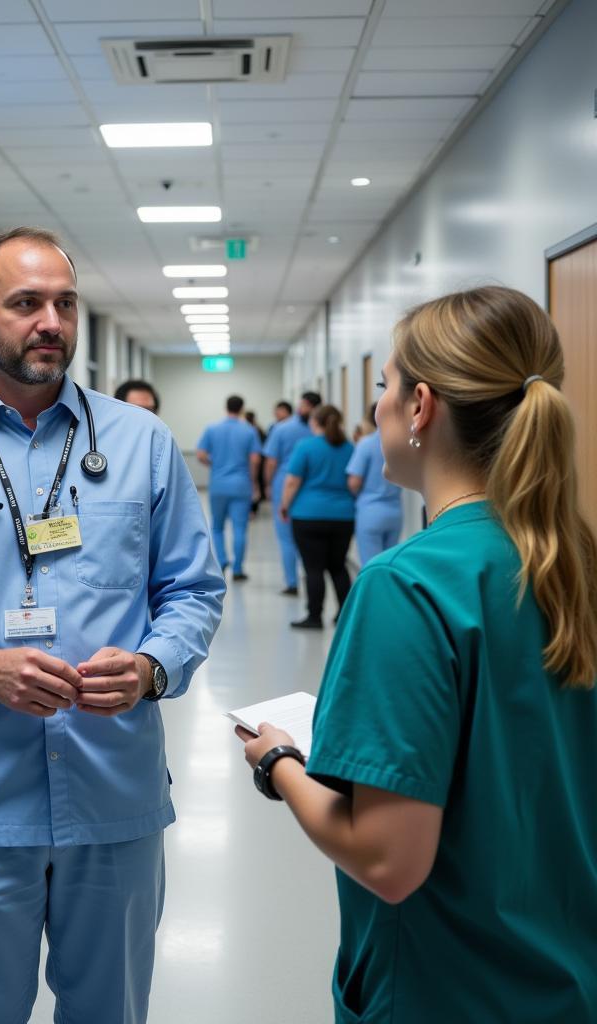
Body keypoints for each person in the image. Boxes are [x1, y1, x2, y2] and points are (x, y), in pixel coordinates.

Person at [0, 226, 225, 1024]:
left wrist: (154, 667)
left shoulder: (142, 445)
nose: (50, 321)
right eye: (27, 303)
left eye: (64, 302)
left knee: (110, 1012)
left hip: (113, 798)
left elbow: (193, 591)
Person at [236, 286, 597, 1023]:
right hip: (567, 976)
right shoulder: (577, 564)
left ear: (421, 406)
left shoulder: (409, 586)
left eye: (385, 387)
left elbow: (387, 862)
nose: (379, 407)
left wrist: (277, 761)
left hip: (450, 987)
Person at [280, 404, 355, 629]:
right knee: (338, 567)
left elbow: (292, 481)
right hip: (343, 516)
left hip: (308, 515)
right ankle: (345, 615)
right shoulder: (349, 447)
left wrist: (285, 505)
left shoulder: (306, 446)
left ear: (315, 422)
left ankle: (314, 617)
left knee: (313, 568)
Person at [197, 396, 262, 581]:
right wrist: (254, 482)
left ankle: (222, 561)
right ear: (242, 408)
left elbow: (201, 454)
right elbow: (255, 460)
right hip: (241, 484)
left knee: (217, 527)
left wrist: (214, 464)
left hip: (218, 483)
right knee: (240, 527)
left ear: (226, 407)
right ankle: (238, 569)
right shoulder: (249, 430)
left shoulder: (212, 428)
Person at [261, 392, 320, 595]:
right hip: (311, 490)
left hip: (284, 485)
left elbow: (271, 461)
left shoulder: (282, 428)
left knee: (286, 538)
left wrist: (268, 484)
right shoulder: (321, 430)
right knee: (308, 538)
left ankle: (292, 583)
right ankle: (310, 577)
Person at [346, 403, 404, 565]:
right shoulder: (401, 443)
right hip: (395, 512)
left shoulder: (366, 444)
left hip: (370, 511)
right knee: (389, 564)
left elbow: (354, 482)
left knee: (371, 566)